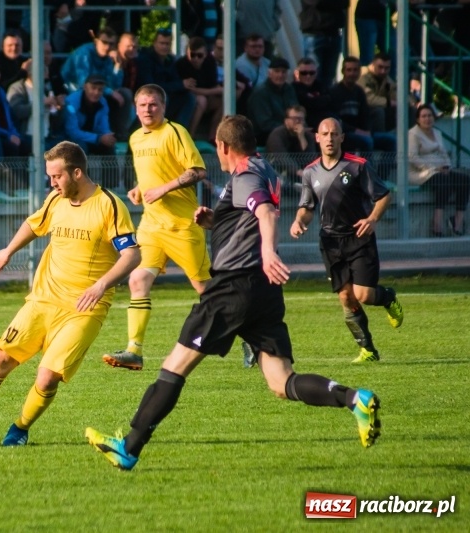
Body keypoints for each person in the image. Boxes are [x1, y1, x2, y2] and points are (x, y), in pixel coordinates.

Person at [85, 115, 382, 471]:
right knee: (281, 381)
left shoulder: (245, 176)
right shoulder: (264, 169)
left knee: (174, 366)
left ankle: (129, 447)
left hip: (233, 286)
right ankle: (354, 399)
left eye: (217, 147)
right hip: (263, 291)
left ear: (223, 146)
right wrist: (217, 221)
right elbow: (250, 216)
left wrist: (268, 251)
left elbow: (266, 213)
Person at [0, 140, 140, 447]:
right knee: (1, 358)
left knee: (47, 377)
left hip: (83, 308)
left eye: (57, 176)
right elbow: (34, 225)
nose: (52, 183)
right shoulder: (56, 200)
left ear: (77, 173)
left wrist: (101, 284)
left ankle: (20, 428)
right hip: (43, 300)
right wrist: (8, 250)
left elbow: (132, 255)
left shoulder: (109, 205)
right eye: (50, 177)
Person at [102, 84, 211, 371]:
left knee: (206, 290)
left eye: (153, 104)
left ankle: (251, 337)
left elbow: (198, 171)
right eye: (143, 105)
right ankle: (134, 351)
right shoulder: (136, 138)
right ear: (135, 109)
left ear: (163, 107)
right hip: (151, 225)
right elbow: (154, 171)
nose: (148, 109)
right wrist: (140, 188)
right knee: (137, 280)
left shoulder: (175, 132)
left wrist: (164, 188)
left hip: (182, 225)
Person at [291, 118, 404, 363]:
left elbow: (384, 196)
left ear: (342, 137)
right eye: (325, 134)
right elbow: (307, 207)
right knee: (346, 297)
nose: (329, 138)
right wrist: (299, 220)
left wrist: (372, 219)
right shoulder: (310, 172)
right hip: (331, 242)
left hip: (359, 237)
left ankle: (388, 297)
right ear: (317, 138)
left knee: (363, 295)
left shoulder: (358, 166)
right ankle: (368, 350)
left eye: (334, 134)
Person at [408, 104, 470, 237]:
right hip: (421, 173)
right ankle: (437, 223)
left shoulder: (437, 133)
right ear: (418, 119)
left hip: (440, 170)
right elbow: (412, 158)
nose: (427, 119)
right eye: (424, 116)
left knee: (465, 180)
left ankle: (457, 221)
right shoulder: (413, 134)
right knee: (444, 181)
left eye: (430, 115)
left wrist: (447, 166)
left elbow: (444, 154)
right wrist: (434, 168)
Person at [61, 27, 132, 141]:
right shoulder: (84, 53)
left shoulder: (109, 58)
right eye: (104, 42)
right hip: (73, 91)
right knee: (98, 94)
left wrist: (117, 66)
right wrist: (109, 92)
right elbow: (83, 82)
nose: (107, 47)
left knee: (124, 94)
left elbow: (115, 86)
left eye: (111, 44)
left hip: (97, 91)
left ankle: (119, 135)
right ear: (96, 41)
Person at [134, 27, 196, 129]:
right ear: (154, 43)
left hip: (166, 97)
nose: (164, 47)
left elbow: (175, 81)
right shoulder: (145, 59)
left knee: (190, 98)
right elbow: (151, 87)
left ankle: (178, 130)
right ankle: (156, 129)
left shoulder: (170, 60)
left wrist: (184, 85)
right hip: (148, 98)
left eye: (167, 44)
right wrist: (181, 84)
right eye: (162, 43)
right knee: (162, 96)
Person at [246, 56, 299, 146]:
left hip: (288, 131)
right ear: (269, 73)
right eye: (277, 71)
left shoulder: (289, 89)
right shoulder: (260, 93)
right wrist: (289, 127)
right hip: (264, 136)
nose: (280, 75)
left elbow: (297, 110)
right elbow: (265, 124)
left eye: (283, 72)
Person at [300, 0, 349, 88]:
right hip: (314, 32)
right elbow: (316, 2)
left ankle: (325, 96)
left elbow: (345, 3)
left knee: (330, 76)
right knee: (312, 74)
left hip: (334, 32)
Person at [63, 75, 116, 156]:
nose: (96, 92)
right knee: (81, 147)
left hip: (91, 137)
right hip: (68, 138)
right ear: (85, 87)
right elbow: (72, 132)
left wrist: (108, 137)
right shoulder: (71, 102)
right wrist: (98, 138)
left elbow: (104, 127)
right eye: (93, 88)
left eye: (100, 89)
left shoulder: (103, 102)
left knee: (109, 146)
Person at [264, 104, 317, 183]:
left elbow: (310, 157)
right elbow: (282, 157)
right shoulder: (277, 135)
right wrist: (297, 171)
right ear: (286, 121)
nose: (298, 122)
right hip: (280, 173)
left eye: (301, 119)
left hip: (304, 175)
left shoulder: (307, 135)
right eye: (294, 118)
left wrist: (302, 137)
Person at [174, 36, 211, 139]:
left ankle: (213, 137)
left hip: (206, 97)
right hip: (185, 97)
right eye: (193, 55)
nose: (195, 59)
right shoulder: (181, 64)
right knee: (200, 100)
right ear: (187, 53)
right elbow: (190, 89)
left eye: (199, 55)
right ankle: (191, 135)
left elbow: (213, 85)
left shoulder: (210, 62)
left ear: (205, 54)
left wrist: (217, 90)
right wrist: (217, 90)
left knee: (223, 100)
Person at [291, 57, 333, 130]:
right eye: (304, 73)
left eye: (312, 73)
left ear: (316, 73)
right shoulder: (293, 88)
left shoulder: (322, 86)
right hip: (305, 128)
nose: (308, 76)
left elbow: (329, 102)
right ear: (297, 73)